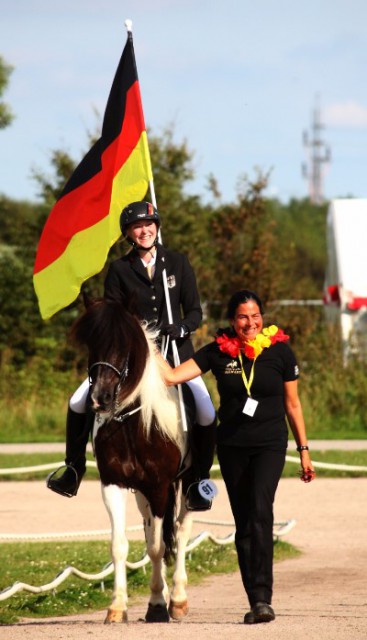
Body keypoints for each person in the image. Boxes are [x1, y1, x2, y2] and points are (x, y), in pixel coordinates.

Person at [158, 289, 315, 625]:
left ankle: (264, 595)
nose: (251, 323)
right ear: (232, 320)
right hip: (231, 447)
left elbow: (293, 404)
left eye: (255, 315)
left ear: (262, 317)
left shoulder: (281, 353)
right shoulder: (217, 352)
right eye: (243, 317)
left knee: (261, 509)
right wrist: (149, 344)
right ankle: (256, 600)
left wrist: (304, 451)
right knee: (244, 521)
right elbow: (172, 376)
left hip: (270, 445)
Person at [47, 201, 216, 511]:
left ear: (157, 226)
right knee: (77, 401)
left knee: (205, 410)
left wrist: (181, 327)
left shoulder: (177, 263)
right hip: (133, 358)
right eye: (137, 227)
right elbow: (112, 316)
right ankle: (73, 468)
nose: (144, 230)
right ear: (129, 233)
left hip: (175, 354)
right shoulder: (120, 269)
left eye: (149, 224)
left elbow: (195, 310)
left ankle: (198, 481)